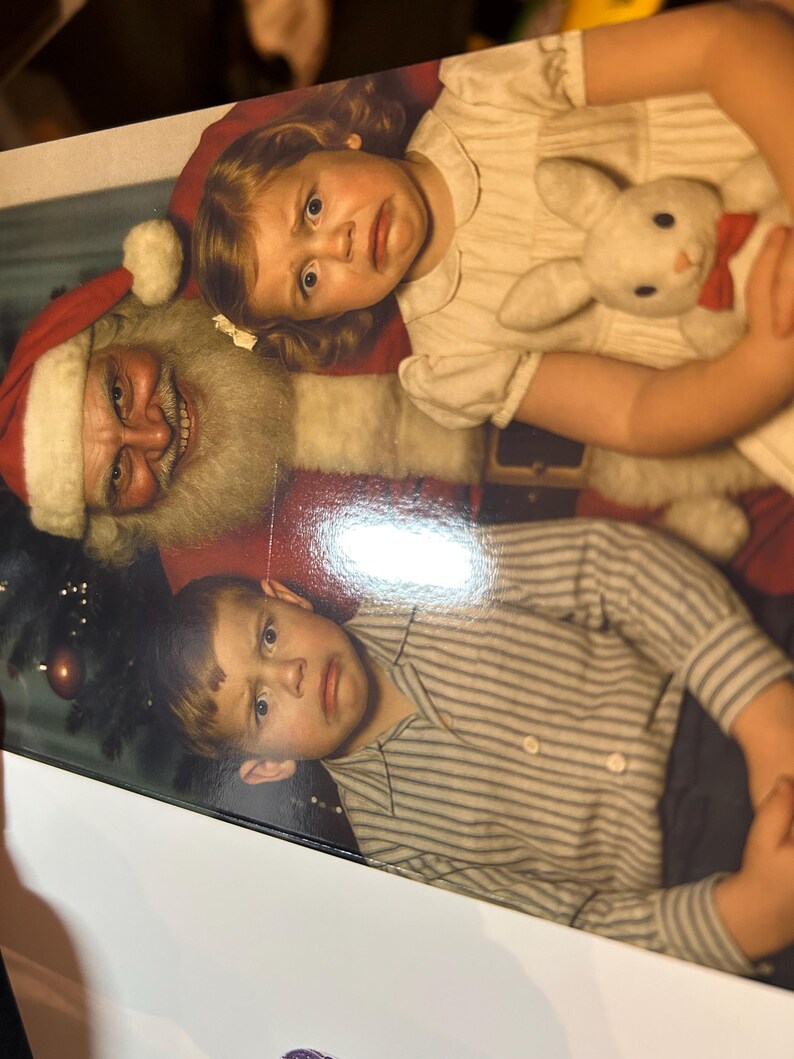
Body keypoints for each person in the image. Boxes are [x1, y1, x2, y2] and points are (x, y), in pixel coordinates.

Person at [154, 517, 794, 980]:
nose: (289, 673)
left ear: (285, 598)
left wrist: (760, 710)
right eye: (260, 707)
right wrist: (742, 917)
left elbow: (610, 567)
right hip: (702, 874)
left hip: (718, 684)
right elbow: (574, 930)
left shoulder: (426, 581)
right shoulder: (405, 861)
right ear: (267, 766)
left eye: (268, 637)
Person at [192, 2, 794, 467]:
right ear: (329, 318)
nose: (336, 244)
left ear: (332, 140)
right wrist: (768, 361)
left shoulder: (488, 91)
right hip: (758, 355)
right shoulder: (452, 362)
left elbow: (727, 43)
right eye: (309, 278)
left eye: (314, 208)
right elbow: (637, 416)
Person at [0, 268, 482, 607]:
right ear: (117, 520)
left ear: (118, 333)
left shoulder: (227, 249)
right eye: (121, 472)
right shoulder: (215, 584)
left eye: (120, 391)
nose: (158, 432)